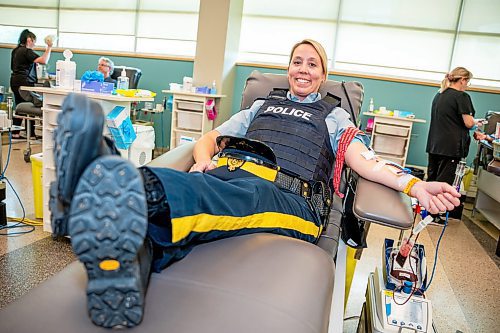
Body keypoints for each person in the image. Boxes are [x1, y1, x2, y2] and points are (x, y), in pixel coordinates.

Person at [50, 39, 461, 329]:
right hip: (233, 171)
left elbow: (365, 162)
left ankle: (112, 188)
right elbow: (209, 138)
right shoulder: (261, 105)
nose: (303, 69)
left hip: (290, 198)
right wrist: (205, 159)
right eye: (297, 61)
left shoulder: (334, 117)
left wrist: (415, 186)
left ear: (323, 75)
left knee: (240, 194)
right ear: (288, 69)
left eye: (312, 64)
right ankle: (129, 267)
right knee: (207, 186)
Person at [425, 67, 480, 224]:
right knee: (443, 183)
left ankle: (427, 212)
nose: (467, 85)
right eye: (467, 82)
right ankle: (433, 215)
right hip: (451, 148)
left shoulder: (439, 95)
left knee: (433, 179)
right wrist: (476, 123)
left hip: (435, 145)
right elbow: (468, 122)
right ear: (462, 80)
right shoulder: (462, 96)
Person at [10, 29, 52, 139]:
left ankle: (16, 132)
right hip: (24, 82)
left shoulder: (16, 50)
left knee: (20, 106)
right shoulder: (26, 51)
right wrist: (49, 47)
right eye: (34, 41)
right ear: (29, 40)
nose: (34, 44)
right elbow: (44, 60)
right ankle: (31, 134)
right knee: (31, 105)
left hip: (14, 81)